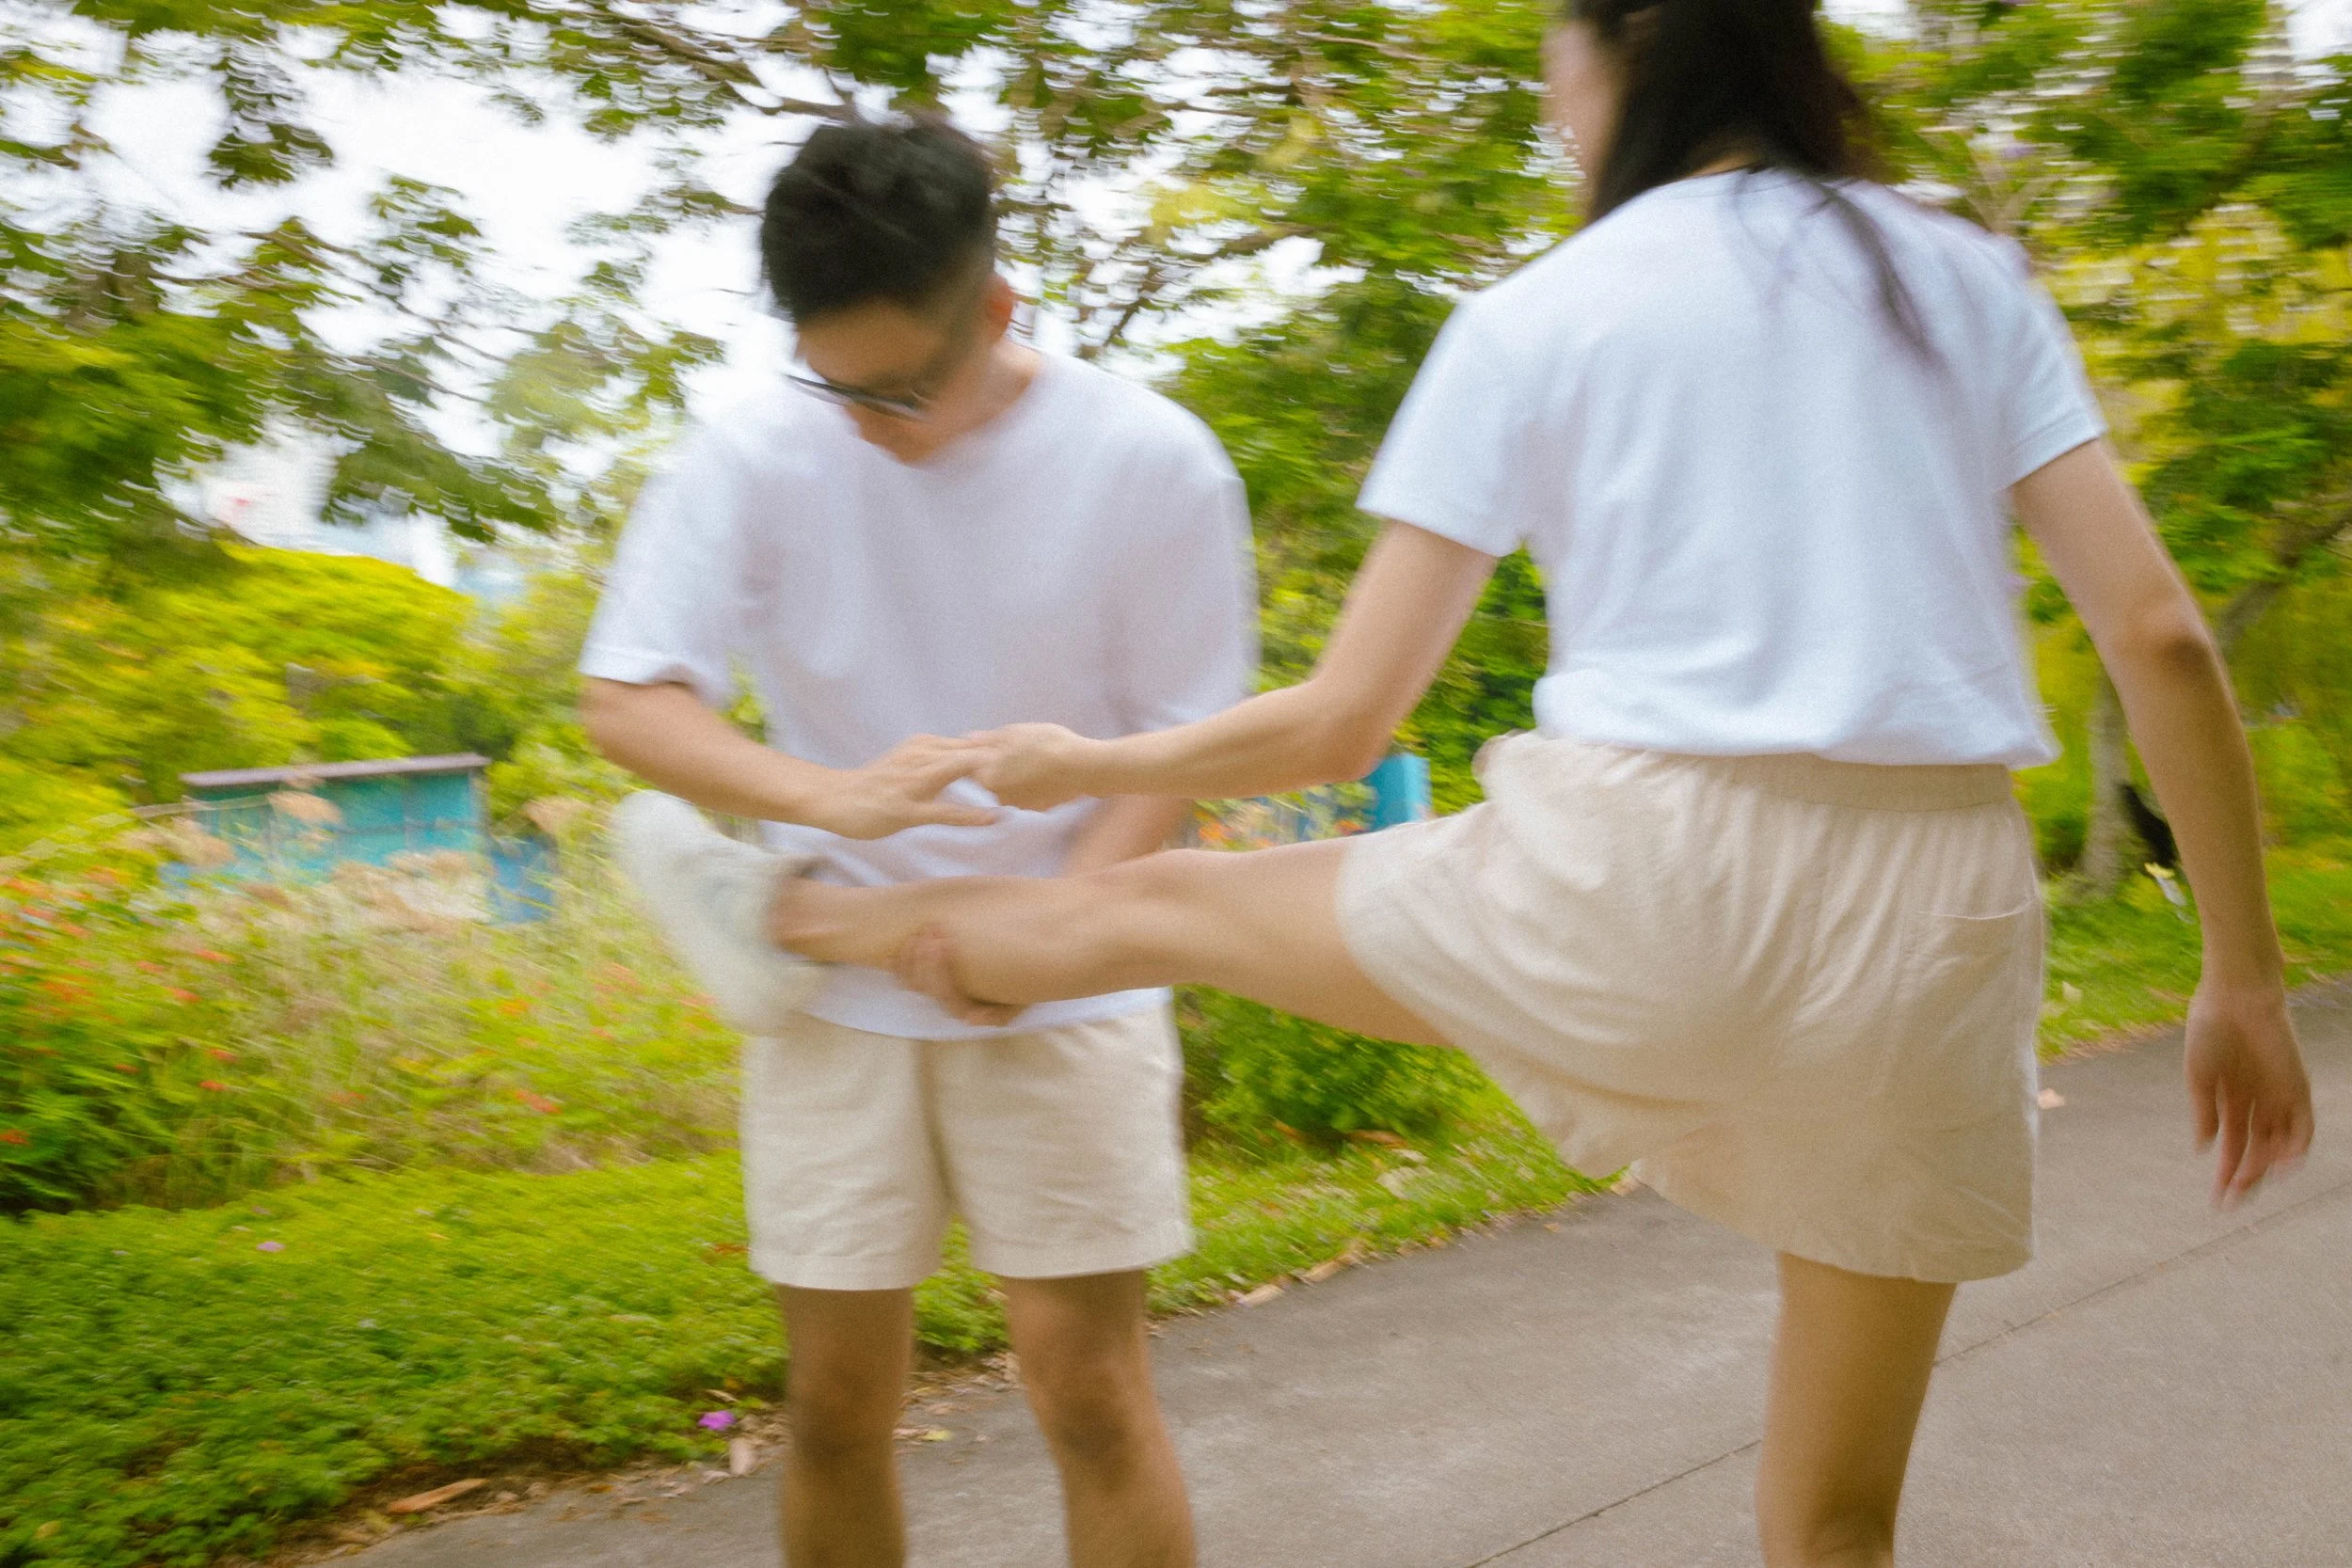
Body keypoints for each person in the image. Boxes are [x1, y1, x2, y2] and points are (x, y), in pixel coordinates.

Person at [616, 5, 2328, 1564]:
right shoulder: (1962, 275)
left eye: (1553, 73)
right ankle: (797, 918)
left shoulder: (1540, 311)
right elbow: (2162, 638)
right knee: (1832, 1516)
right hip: (1937, 914)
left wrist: (1089, 761)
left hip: (1641, 875)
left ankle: (787, 922)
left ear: (1628, 60)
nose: (1551, 111)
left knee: (1149, 902)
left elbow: (1346, 723)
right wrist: (2237, 975)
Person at [580, 116, 1255, 1568]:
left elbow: (1188, 743)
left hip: (1078, 969)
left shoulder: (1155, 463)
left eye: (900, 388)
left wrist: (1056, 938)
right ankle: (775, 901)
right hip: (835, 994)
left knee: (1088, 1390)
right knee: (832, 1403)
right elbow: (628, 695)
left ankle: (770, 905)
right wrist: (830, 797)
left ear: (997, 310)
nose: (865, 418)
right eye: (838, 385)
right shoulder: (758, 446)